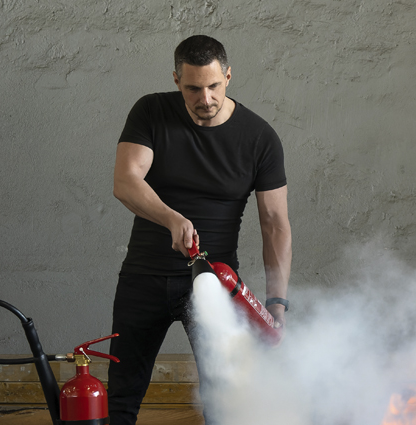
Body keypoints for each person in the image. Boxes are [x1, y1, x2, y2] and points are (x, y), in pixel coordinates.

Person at [107, 35, 292, 425]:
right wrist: (171, 218)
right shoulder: (151, 111)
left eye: (213, 86)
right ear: (177, 80)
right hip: (144, 277)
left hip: (217, 284)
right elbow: (125, 181)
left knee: (223, 399)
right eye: (192, 88)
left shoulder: (259, 138)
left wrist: (276, 302)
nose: (205, 98)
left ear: (228, 76)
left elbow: (275, 225)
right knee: (122, 395)